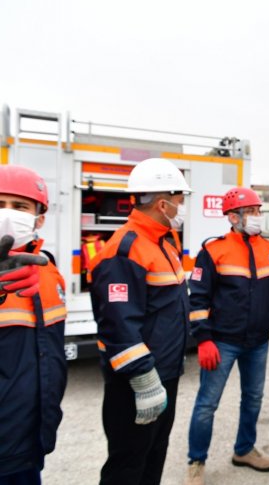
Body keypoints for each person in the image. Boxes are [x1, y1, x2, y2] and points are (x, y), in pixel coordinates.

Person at [89, 158, 191, 485]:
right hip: (137, 384)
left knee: (153, 456)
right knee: (127, 465)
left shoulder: (163, 241)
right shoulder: (125, 248)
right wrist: (144, 381)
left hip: (165, 376)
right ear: (163, 204)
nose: (182, 207)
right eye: (179, 200)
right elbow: (119, 327)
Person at [185, 187, 269, 484]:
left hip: (258, 342)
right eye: (253, 211)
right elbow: (198, 300)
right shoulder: (213, 250)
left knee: (253, 399)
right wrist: (203, 339)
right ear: (234, 217)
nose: (259, 216)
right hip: (222, 342)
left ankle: (244, 449)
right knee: (208, 404)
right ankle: (196, 461)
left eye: (260, 210)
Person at [0, 165, 66, 485]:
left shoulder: (49, 271)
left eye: (20, 206)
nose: (8, 214)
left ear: (39, 218)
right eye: (0, 205)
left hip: (31, 436)